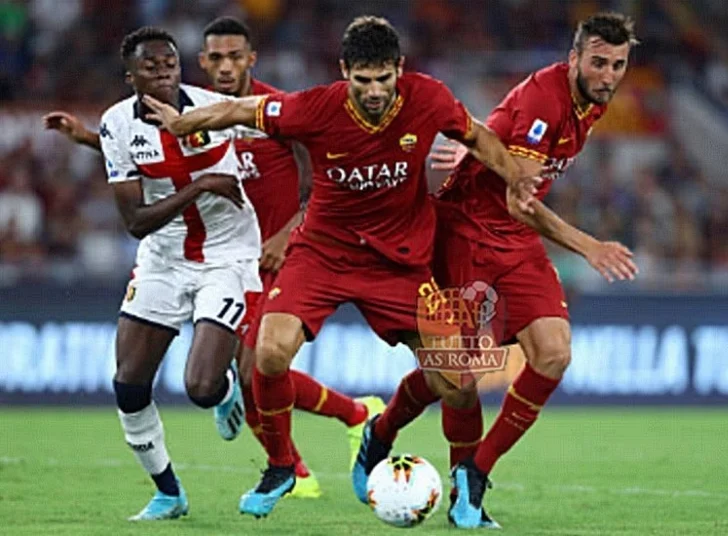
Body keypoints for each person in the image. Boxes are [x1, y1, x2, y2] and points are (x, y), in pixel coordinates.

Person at [144, 15, 536, 519]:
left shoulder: (430, 98)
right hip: (324, 253)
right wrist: (183, 123)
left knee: (455, 382)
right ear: (344, 71)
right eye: (362, 80)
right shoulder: (315, 107)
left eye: (383, 79)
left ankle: (463, 494)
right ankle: (282, 467)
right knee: (269, 350)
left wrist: (513, 179)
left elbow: (479, 137)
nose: (374, 91)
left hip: (400, 261)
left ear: (399, 69)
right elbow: (242, 109)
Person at [43, 16, 385, 500]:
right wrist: (87, 139)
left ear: (251, 59)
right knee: (241, 373)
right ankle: (339, 425)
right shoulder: (195, 112)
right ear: (202, 62)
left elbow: (324, 158)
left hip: (261, 252)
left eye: (234, 57)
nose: (225, 68)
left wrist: (292, 230)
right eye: (216, 59)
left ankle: (292, 464)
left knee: (251, 369)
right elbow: (147, 153)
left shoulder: (259, 110)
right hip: (199, 254)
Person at [427, 12, 640, 528]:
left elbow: (523, 209)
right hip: (467, 230)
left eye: (617, 65)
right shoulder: (545, 101)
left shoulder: (590, 105)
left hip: (515, 240)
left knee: (553, 353)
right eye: (598, 62)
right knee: (454, 378)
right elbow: (520, 199)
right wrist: (587, 245)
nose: (608, 75)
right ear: (574, 60)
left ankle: (473, 475)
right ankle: (380, 434)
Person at [82, 26, 263, 521]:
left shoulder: (214, 107)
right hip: (162, 258)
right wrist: (203, 184)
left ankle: (225, 390)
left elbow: (295, 131)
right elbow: (136, 222)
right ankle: (168, 492)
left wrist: (304, 199)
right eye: (150, 67)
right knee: (129, 382)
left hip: (227, 257)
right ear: (131, 76)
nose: (163, 72)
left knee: (201, 389)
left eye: (170, 64)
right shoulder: (117, 125)